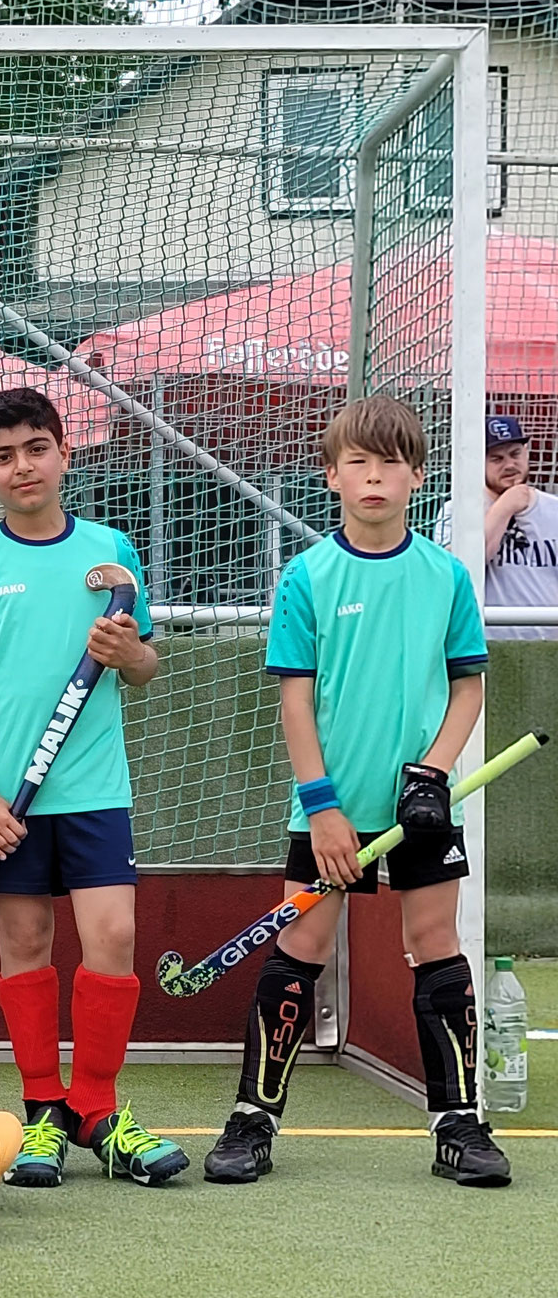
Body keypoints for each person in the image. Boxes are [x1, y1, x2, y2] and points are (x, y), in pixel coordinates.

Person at [207, 395, 504, 1187]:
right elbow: (295, 701)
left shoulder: (444, 576)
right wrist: (323, 807)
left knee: (435, 949)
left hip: (423, 810)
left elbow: (467, 687)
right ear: (333, 475)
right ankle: (252, 1120)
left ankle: (460, 1123)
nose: (374, 478)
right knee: (299, 949)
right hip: (327, 808)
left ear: (416, 475)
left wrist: (432, 774)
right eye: (358, 464)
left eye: (391, 463)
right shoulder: (307, 577)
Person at [0, 387, 187, 1187]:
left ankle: (99, 1110)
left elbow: (145, 667)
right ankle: (43, 1108)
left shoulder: (110, 553)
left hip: (91, 787)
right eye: (3, 457)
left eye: (35, 449)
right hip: (4, 798)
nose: (22, 467)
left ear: (64, 454)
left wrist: (125, 651)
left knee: (112, 937)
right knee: (26, 945)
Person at [432, 415, 558, 641]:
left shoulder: (554, 510)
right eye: (496, 458)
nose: (509, 464)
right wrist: (503, 508)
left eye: (515, 454)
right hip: (488, 646)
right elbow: (454, 571)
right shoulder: (456, 511)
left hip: (550, 646)